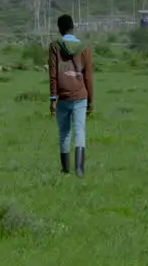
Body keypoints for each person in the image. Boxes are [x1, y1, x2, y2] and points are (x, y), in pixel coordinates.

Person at [48, 13, 94, 177]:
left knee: (64, 132)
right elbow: (88, 76)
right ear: (73, 27)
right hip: (81, 95)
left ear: (60, 29)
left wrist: (53, 98)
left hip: (62, 97)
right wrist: (91, 101)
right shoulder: (84, 47)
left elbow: (52, 74)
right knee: (80, 130)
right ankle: (80, 169)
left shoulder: (55, 46)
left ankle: (66, 169)